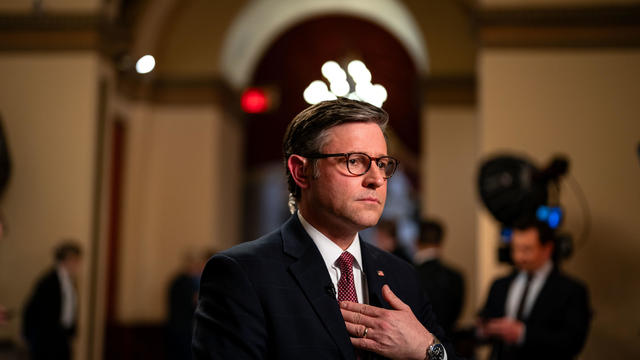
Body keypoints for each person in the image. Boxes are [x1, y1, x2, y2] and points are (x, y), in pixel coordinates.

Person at [192, 98, 453, 359]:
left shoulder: (403, 277)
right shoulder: (242, 274)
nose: (376, 179)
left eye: (382, 164)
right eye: (355, 161)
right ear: (301, 171)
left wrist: (427, 348)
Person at [477, 220, 591, 360]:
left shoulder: (571, 291)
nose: (519, 257)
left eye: (527, 249)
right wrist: (485, 329)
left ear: (547, 249)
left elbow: (573, 342)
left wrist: (523, 334)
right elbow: (485, 326)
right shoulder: (500, 285)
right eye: (515, 249)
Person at [23, 241, 82, 360]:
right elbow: (35, 311)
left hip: (62, 336)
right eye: (75, 260)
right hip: (47, 339)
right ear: (66, 260)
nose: (78, 264)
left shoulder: (69, 281)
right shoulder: (49, 281)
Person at [414, 220, 464, 337]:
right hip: (448, 346)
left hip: (416, 348)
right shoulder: (456, 277)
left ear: (416, 241)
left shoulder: (408, 274)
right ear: (441, 243)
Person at [166, 250, 211, 360]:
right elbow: (198, 300)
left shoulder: (189, 281)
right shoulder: (182, 281)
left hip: (186, 331)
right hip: (182, 331)